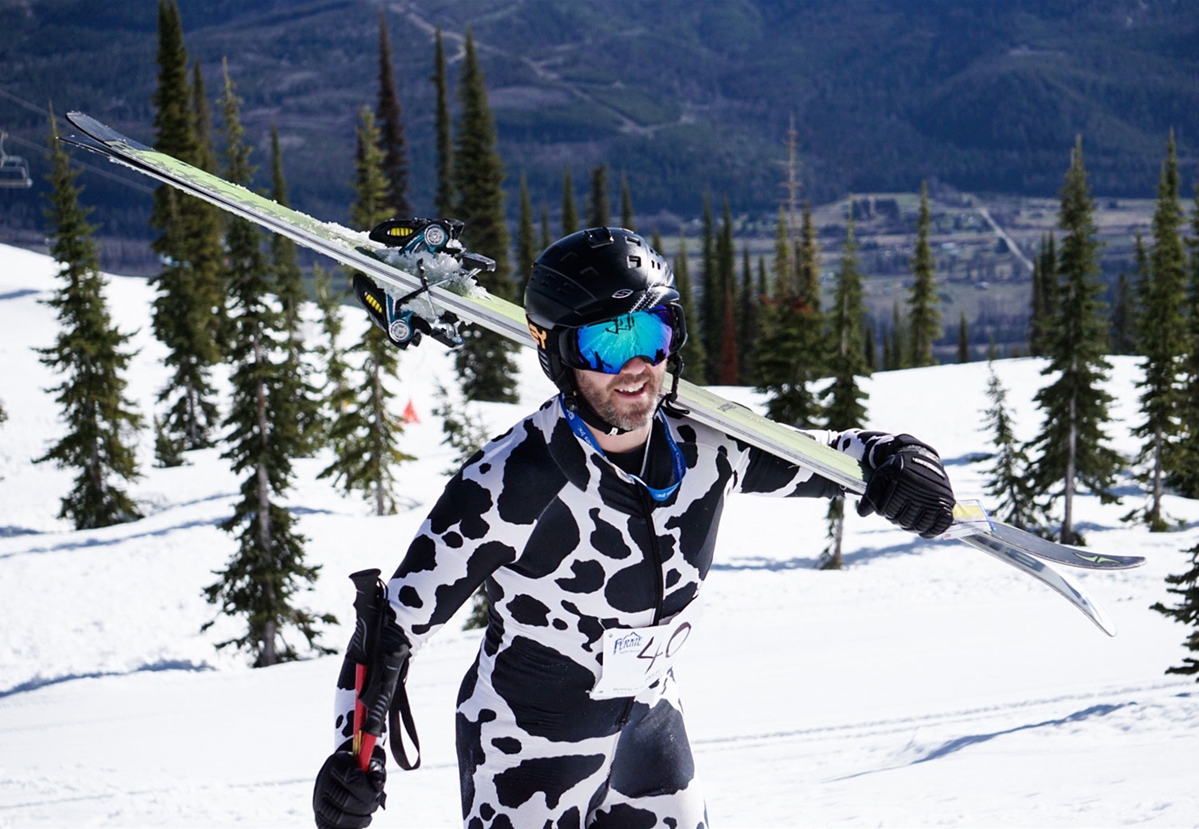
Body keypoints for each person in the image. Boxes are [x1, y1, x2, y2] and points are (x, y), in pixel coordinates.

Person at [313, 227, 956, 829]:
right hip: (526, 749)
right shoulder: (511, 483)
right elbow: (395, 621)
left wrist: (893, 460)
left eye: (652, 332)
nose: (637, 367)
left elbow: (825, 458)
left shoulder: (708, 446)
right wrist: (354, 755)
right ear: (559, 355)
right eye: (608, 344)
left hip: (650, 733)